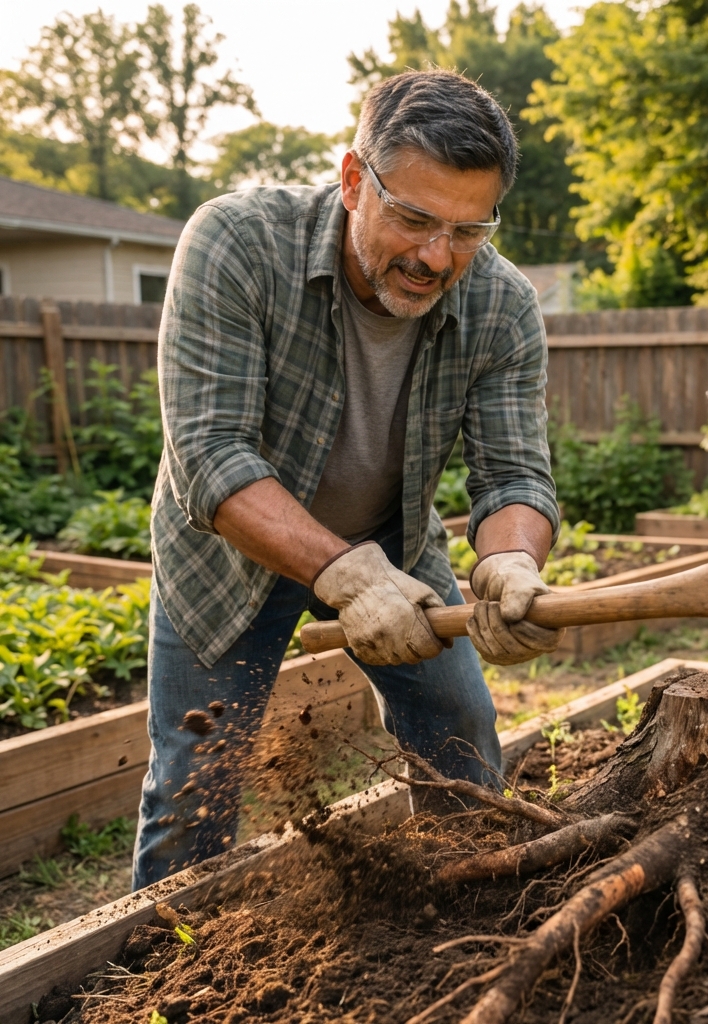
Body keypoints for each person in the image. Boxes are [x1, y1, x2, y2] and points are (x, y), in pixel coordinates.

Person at [133, 69, 565, 889]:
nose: (437, 257)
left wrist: (513, 560)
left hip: (392, 540)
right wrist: (342, 574)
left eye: (468, 230)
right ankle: (159, 972)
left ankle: (469, 915)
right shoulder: (236, 243)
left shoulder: (502, 306)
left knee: (460, 727)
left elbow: (513, 475)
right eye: (413, 218)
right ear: (352, 179)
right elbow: (210, 453)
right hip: (227, 549)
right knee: (197, 772)